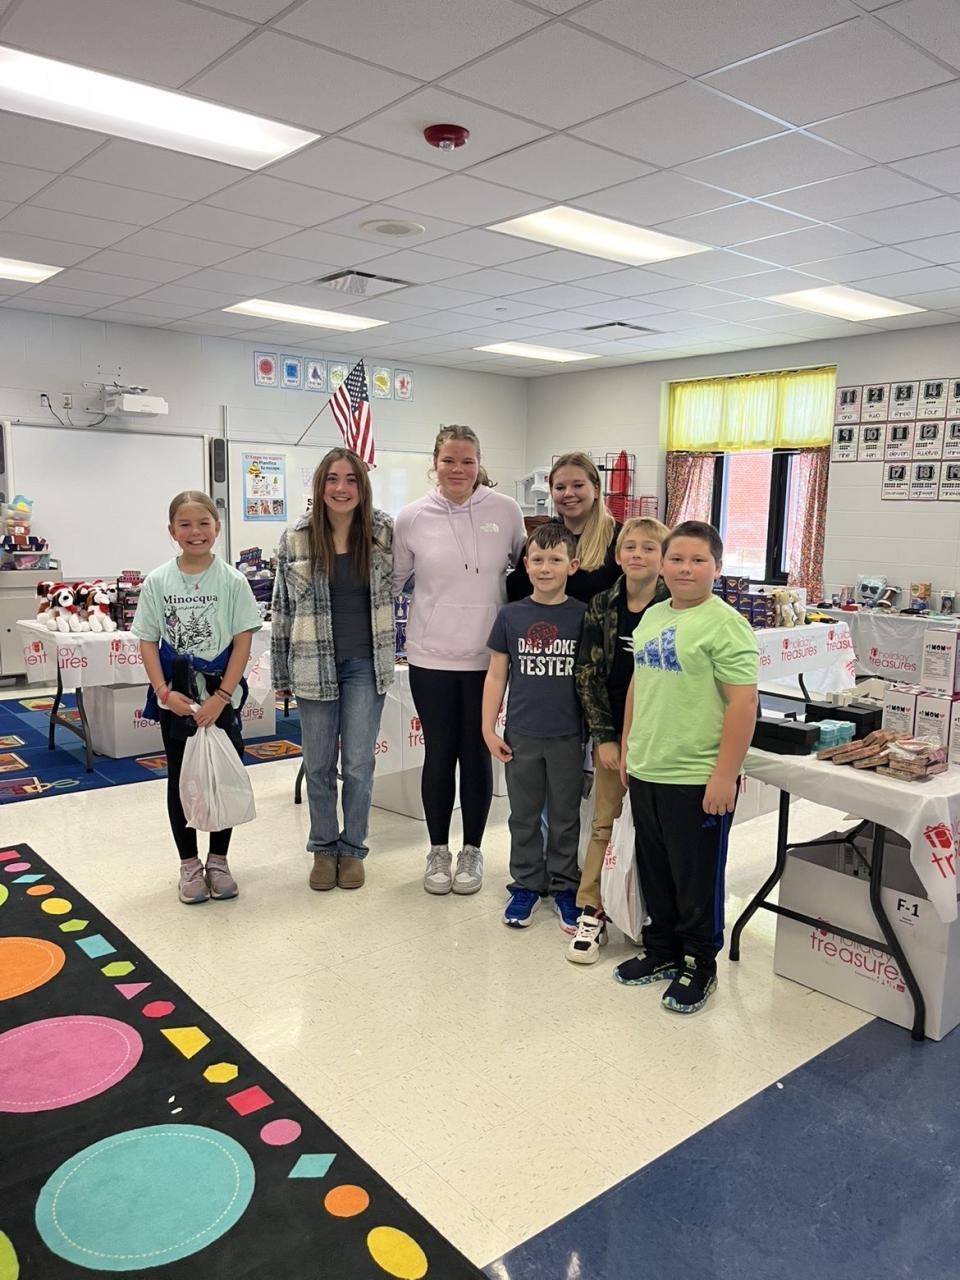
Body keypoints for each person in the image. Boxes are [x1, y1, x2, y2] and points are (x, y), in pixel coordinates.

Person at [615, 520, 759, 1014]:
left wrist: (724, 775)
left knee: (696, 876)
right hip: (648, 767)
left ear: (717, 568)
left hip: (696, 777)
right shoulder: (654, 616)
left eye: (698, 560)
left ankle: (699, 962)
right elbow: (638, 683)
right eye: (676, 559)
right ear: (662, 565)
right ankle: (662, 950)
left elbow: (743, 704)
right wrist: (628, 745)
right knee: (656, 869)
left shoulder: (726, 624)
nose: (685, 568)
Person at [393, 425, 526, 896]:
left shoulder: (505, 511)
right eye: (449, 460)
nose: (458, 469)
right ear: (435, 463)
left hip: (488, 660)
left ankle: (471, 850)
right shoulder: (411, 517)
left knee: (476, 754)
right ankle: (437, 850)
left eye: (467, 460)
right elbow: (394, 583)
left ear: (479, 464)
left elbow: (528, 573)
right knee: (438, 753)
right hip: (430, 657)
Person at [271, 448, 394, 891]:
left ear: (363, 486)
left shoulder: (383, 532)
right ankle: (323, 848)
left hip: (366, 666)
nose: (342, 489)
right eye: (333, 479)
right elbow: (282, 609)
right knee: (318, 764)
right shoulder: (296, 537)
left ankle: (353, 848)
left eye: (351, 480)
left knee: (358, 764)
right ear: (320, 485)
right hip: (312, 664)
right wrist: (281, 677)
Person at [135, 491, 261, 905]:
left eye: (203, 523)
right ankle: (189, 864)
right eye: (185, 525)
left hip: (220, 697)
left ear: (217, 528)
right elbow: (148, 641)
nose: (195, 532)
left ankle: (219, 861)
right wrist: (164, 692)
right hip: (177, 697)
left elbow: (242, 642)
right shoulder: (158, 581)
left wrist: (221, 697)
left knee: (222, 774)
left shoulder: (232, 581)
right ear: (172, 531)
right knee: (181, 778)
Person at [568, 516, 670, 964]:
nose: (638, 555)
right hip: (613, 735)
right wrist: (605, 737)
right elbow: (587, 674)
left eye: (649, 548)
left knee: (656, 830)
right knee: (604, 823)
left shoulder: (676, 606)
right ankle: (592, 909)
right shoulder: (602, 604)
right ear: (617, 554)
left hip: (661, 737)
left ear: (664, 559)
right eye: (630, 547)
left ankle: (653, 915)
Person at [483, 524, 587, 933]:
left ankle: (564, 885)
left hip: (568, 735)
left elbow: (591, 679)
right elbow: (496, 675)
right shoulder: (511, 615)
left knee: (565, 816)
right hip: (521, 734)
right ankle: (526, 883)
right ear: (525, 565)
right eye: (538, 560)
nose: (546, 568)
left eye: (555, 560)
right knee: (523, 815)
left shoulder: (583, 615)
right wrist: (488, 728)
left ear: (572, 565)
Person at [507, 452, 620, 604]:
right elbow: (517, 590)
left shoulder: (620, 539)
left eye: (578, 485)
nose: (568, 493)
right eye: (560, 487)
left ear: (596, 489)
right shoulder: (543, 536)